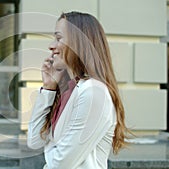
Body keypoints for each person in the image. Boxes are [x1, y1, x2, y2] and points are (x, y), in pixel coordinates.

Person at [27, 11, 128, 169]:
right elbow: (34, 141)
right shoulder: (70, 90)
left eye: (59, 38)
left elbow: (60, 164)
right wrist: (48, 89)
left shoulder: (94, 92)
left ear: (79, 43)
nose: (51, 46)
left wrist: (53, 149)